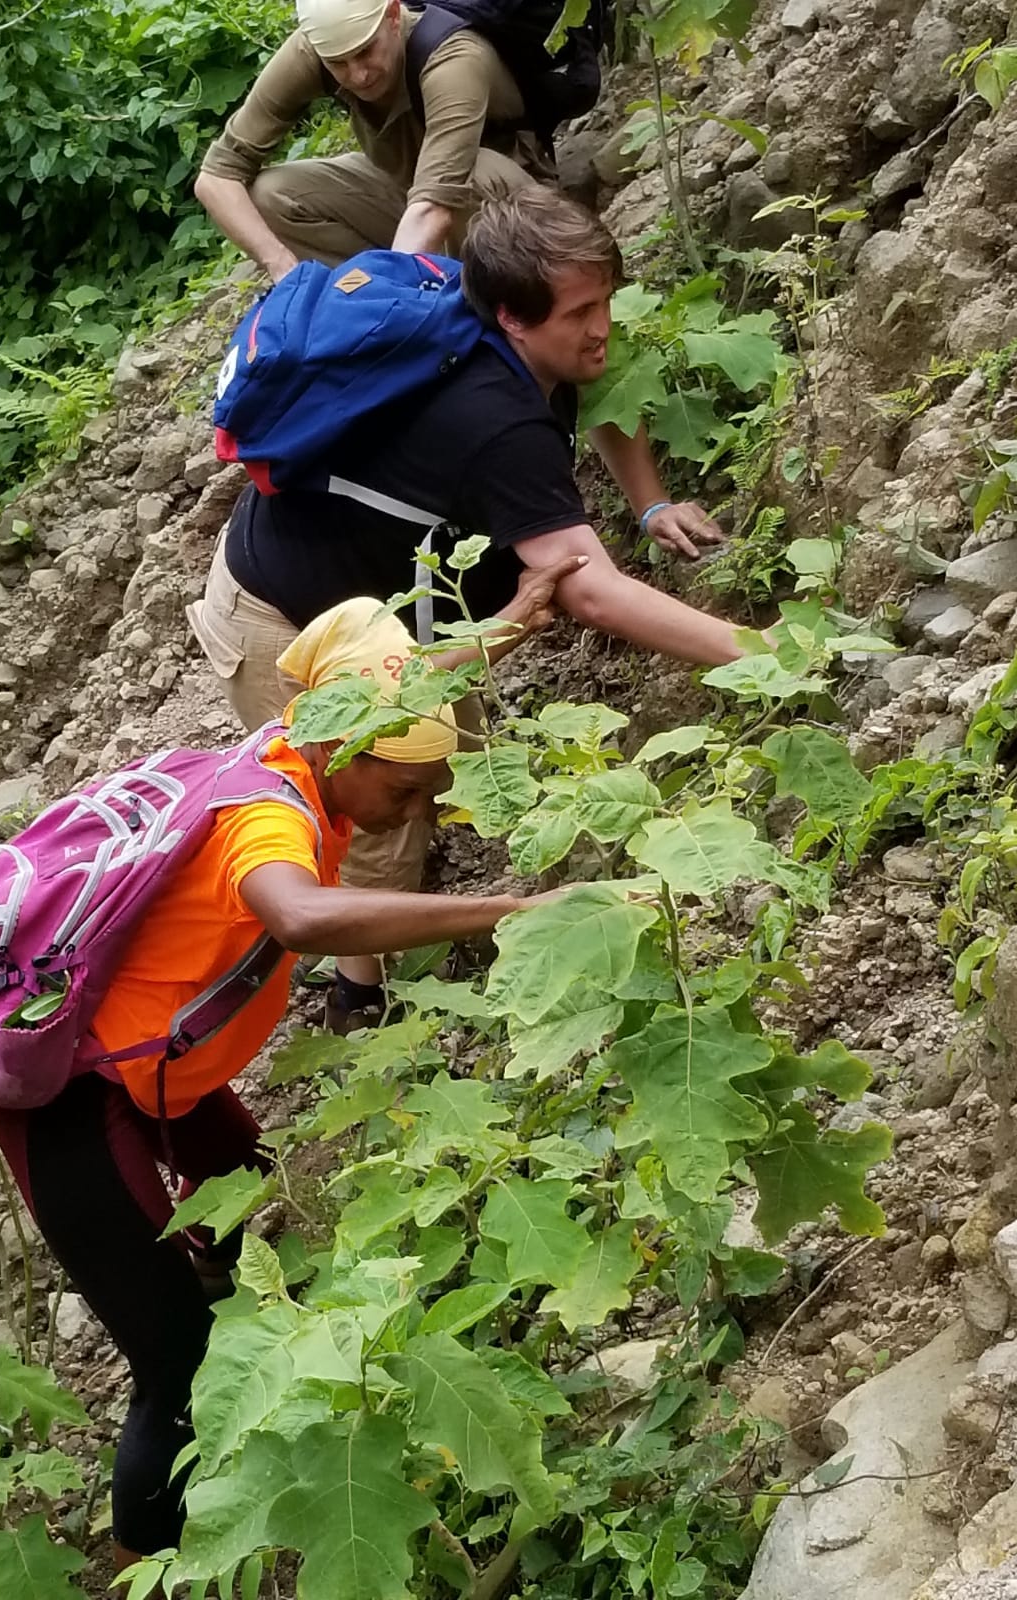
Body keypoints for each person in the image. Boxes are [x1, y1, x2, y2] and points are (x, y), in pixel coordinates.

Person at [0, 598, 552, 1579]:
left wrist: (507, 623)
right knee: (180, 1372)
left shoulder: (309, 731)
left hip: (159, 1071)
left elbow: (392, 679)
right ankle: (138, 1567)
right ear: (349, 753)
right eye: (408, 791)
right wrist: (513, 906)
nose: (415, 813)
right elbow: (297, 916)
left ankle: (228, 1378)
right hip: (75, 1098)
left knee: (261, 1217)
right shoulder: (266, 815)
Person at [187, 186, 733, 1022]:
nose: (602, 327)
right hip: (285, 622)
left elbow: (601, 387)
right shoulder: (494, 418)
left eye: (606, 301)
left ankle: (403, 919)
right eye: (581, 311)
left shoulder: (469, 304)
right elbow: (585, 586)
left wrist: (651, 504)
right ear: (514, 317)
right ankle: (357, 1001)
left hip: (377, 608)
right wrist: (760, 656)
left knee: (451, 753)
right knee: (379, 801)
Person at [194, 0, 543, 275]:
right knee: (268, 196)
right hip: (410, 196)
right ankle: (392, 288)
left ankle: (462, 300)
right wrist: (281, 266)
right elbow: (215, 178)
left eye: (365, 52)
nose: (357, 75)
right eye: (338, 64)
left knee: (470, 175)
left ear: (392, 15)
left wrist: (389, 293)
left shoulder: (453, 57)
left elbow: (435, 206)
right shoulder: (316, 51)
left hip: (506, 205)